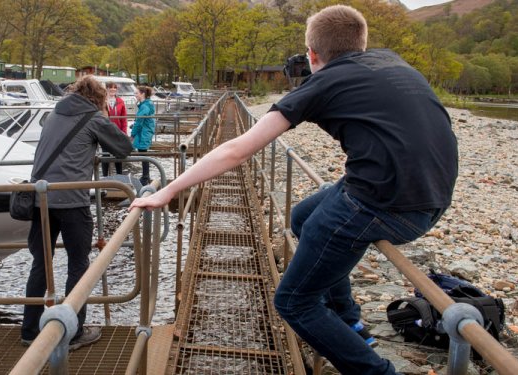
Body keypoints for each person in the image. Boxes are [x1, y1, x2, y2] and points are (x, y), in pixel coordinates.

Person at [130, 5, 458, 375]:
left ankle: (376, 372)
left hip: (381, 206)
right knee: (302, 217)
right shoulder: (391, 61)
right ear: (362, 43)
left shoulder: (324, 81)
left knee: (293, 302)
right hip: (434, 199)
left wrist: (167, 190)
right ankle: (348, 318)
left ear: (312, 54)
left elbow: (238, 149)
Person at [21, 75, 132, 349]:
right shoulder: (93, 118)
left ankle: (29, 331)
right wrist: (104, 117)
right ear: (98, 99)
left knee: (40, 263)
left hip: (41, 199)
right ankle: (74, 332)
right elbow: (124, 149)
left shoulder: (53, 113)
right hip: (72, 200)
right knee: (78, 265)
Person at [130, 86, 156, 187]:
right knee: (143, 153)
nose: (135, 95)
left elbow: (140, 121)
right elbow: (141, 120)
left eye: (136, 93)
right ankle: (146, 176)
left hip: (144, 133)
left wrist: (132, 134)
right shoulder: (146, 104)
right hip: (146, 131)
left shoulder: (145, 106)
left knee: (143, 153)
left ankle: (145, 177)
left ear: (142, 94)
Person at [102, 81, 128, 176]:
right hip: (106, 132)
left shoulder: (120, 101)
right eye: (110, 87)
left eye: (115, 88)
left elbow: (124, 119)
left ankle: (119, 176)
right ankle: (104, 177)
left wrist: (124, 132)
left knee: (118, 154)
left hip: (118, 132)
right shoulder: (102, 101)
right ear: (106, 89)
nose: (113, 89)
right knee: (105, 155)